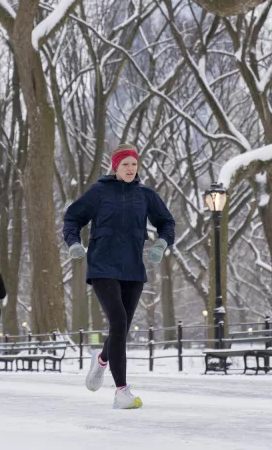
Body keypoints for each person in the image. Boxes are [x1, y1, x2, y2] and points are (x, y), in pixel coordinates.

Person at [63, 144, 175, 409]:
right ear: (115, 166)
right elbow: (72, 218)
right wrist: (74, 244)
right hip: (102, 265)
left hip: (133, 268)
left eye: (134, 164)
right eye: (125, 164)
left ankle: (102, 360)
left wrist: (161, 244)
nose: (130, 169)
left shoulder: (145, 194)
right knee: (119, 319)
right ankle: (121, 392)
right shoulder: (99, 192)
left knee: (120, 328)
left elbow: (167, 222)